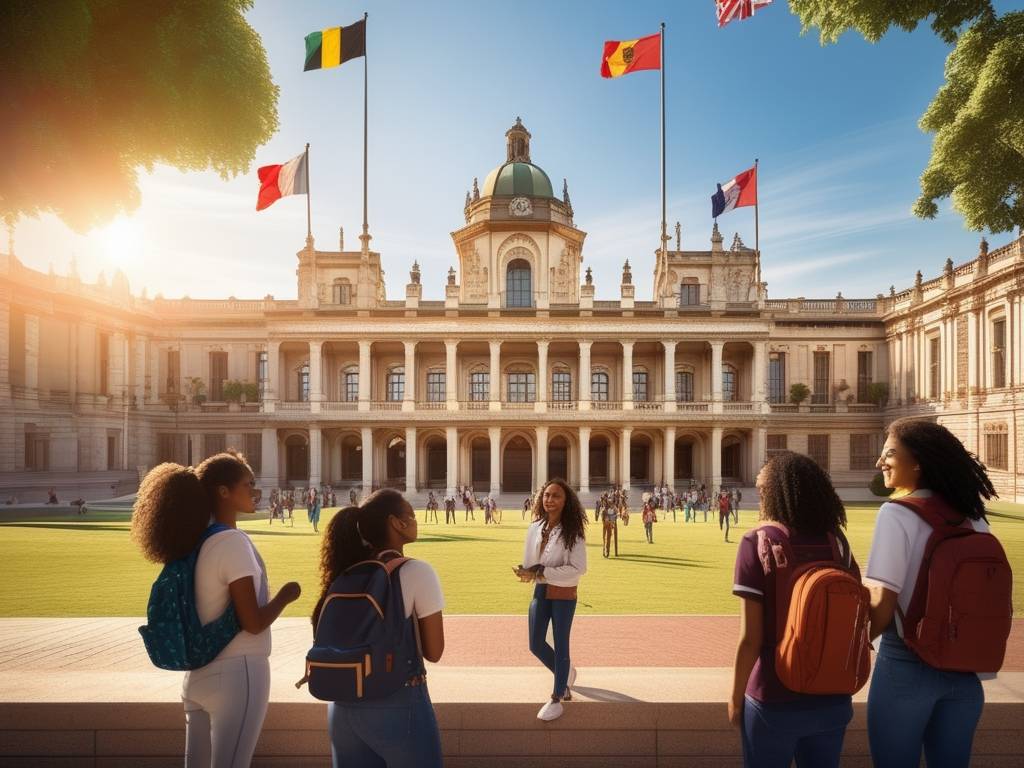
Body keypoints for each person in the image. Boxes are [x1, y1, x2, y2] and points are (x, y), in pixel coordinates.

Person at [132, 452, 301, 768]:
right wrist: (285, 597)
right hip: (239, 672)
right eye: (248, 484)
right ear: (224, 492)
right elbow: (252, 622)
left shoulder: (195, 543)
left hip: (198, 677)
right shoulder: (232, 542)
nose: (255, 491)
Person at [865, 418, 999, 768]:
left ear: (918, 463)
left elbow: (883, 602)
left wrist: (855, 644)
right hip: (965, 672)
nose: (881, 462)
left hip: (905, 665)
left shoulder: (895, 513)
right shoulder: (973, 517)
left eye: (890, 454)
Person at [730, 451, 857, 768]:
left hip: (774, 693)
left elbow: (751, 638)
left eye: (763, 491)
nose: (759, 498)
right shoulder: (836, 542)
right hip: (832, 693)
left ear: (775, 494)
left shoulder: (756, 542)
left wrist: (735, 697)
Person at [313, 489, 445, 768]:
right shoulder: (416, 571)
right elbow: (434, 651)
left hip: (342, 706)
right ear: (396, 523)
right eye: (411, 514)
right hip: (399, 700)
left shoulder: (346, 570)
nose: (415, 520)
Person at [515, 478, 588, 721]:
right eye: (546, 495)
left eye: (556, 496)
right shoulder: (535, 527)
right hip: (541, 591)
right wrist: (526, 571)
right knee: (535, 644)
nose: (549, 500)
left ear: (566, 501)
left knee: (561, 642)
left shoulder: (573, 532)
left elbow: (579, 568)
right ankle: (565, 673)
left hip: (564, 593)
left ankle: (558, 696)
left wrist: (542, 571)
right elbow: (530, 560)